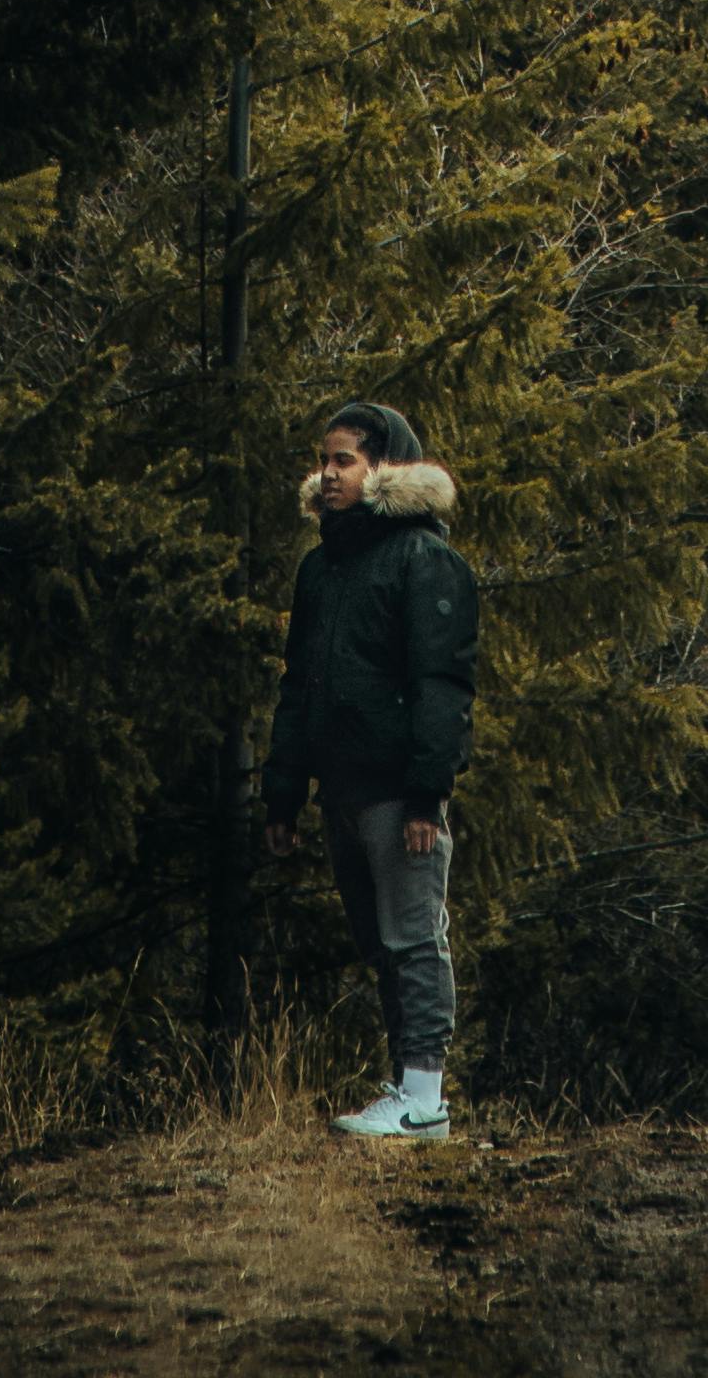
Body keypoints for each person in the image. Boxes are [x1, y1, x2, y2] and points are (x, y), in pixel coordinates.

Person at [259, 399, 479, 1139]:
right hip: (339, 791)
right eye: (323, 460)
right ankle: (407, 1093)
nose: (326, 474)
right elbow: (298, 686)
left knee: (415, 936)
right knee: (380, 943)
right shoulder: (320, 569)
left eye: (343, 460)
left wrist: (426, 793)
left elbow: (441, 685)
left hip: (398, 791)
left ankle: (424, 1100)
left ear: (385, 469)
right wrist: (283, 793)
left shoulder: (425, 560)